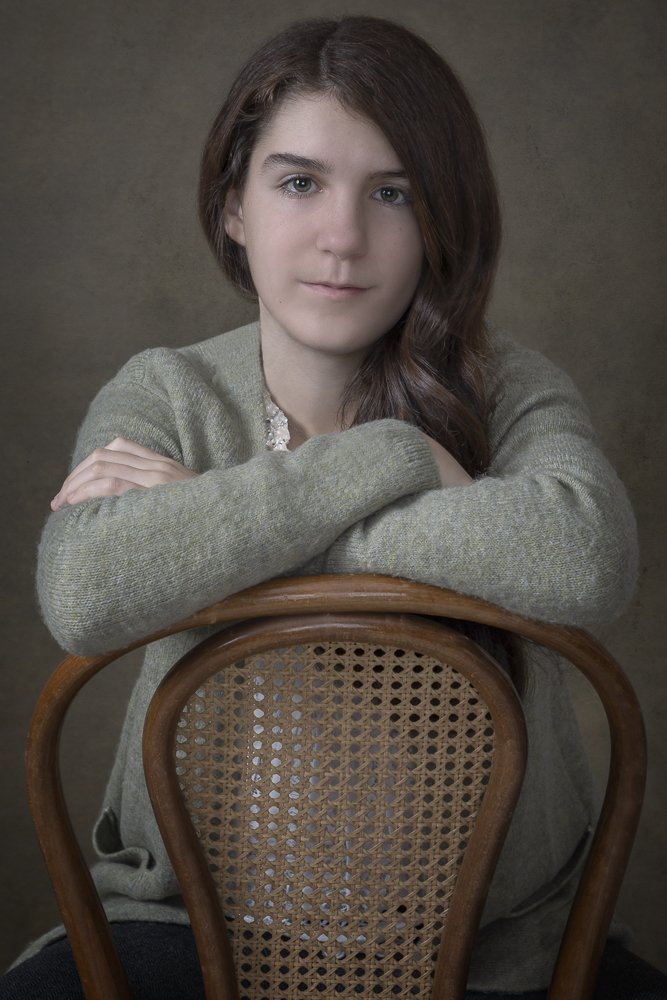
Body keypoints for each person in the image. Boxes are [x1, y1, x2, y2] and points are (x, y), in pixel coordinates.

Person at [3, 15, 663, 1000]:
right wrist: (392, 459)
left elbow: (583, 559)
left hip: (498, 950)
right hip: (187, 932)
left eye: (391, 193)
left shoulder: (511, 389)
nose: (342, 237)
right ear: (233, 206)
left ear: (441, 216)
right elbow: (85, 591)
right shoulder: (167, 392)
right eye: (299, 183)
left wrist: (222, 525)